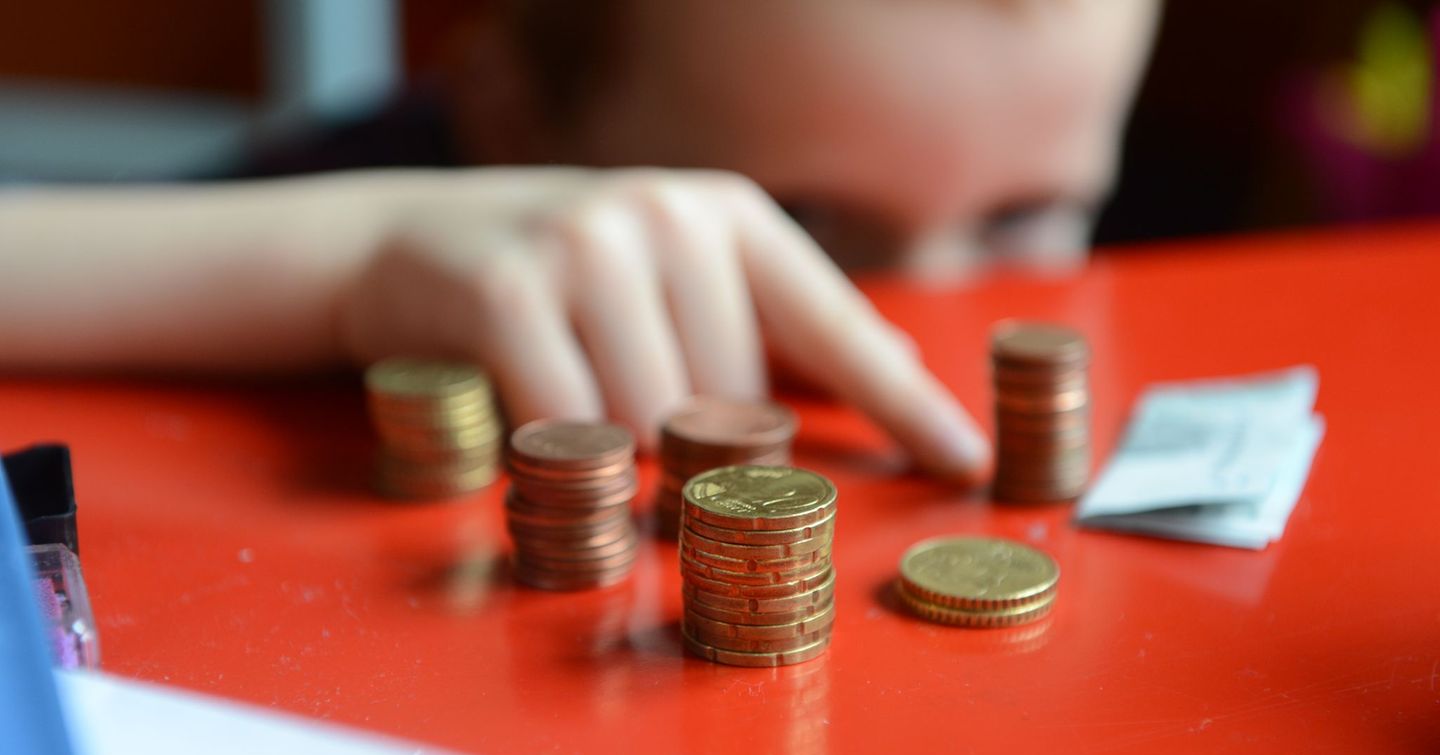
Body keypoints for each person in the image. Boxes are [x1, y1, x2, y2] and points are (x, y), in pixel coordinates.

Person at [0, 0, 1160, 485]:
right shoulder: (331, 198)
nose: (904, 328)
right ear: (513, 120)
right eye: (803, 225)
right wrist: (355, 256)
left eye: (1022, 217)